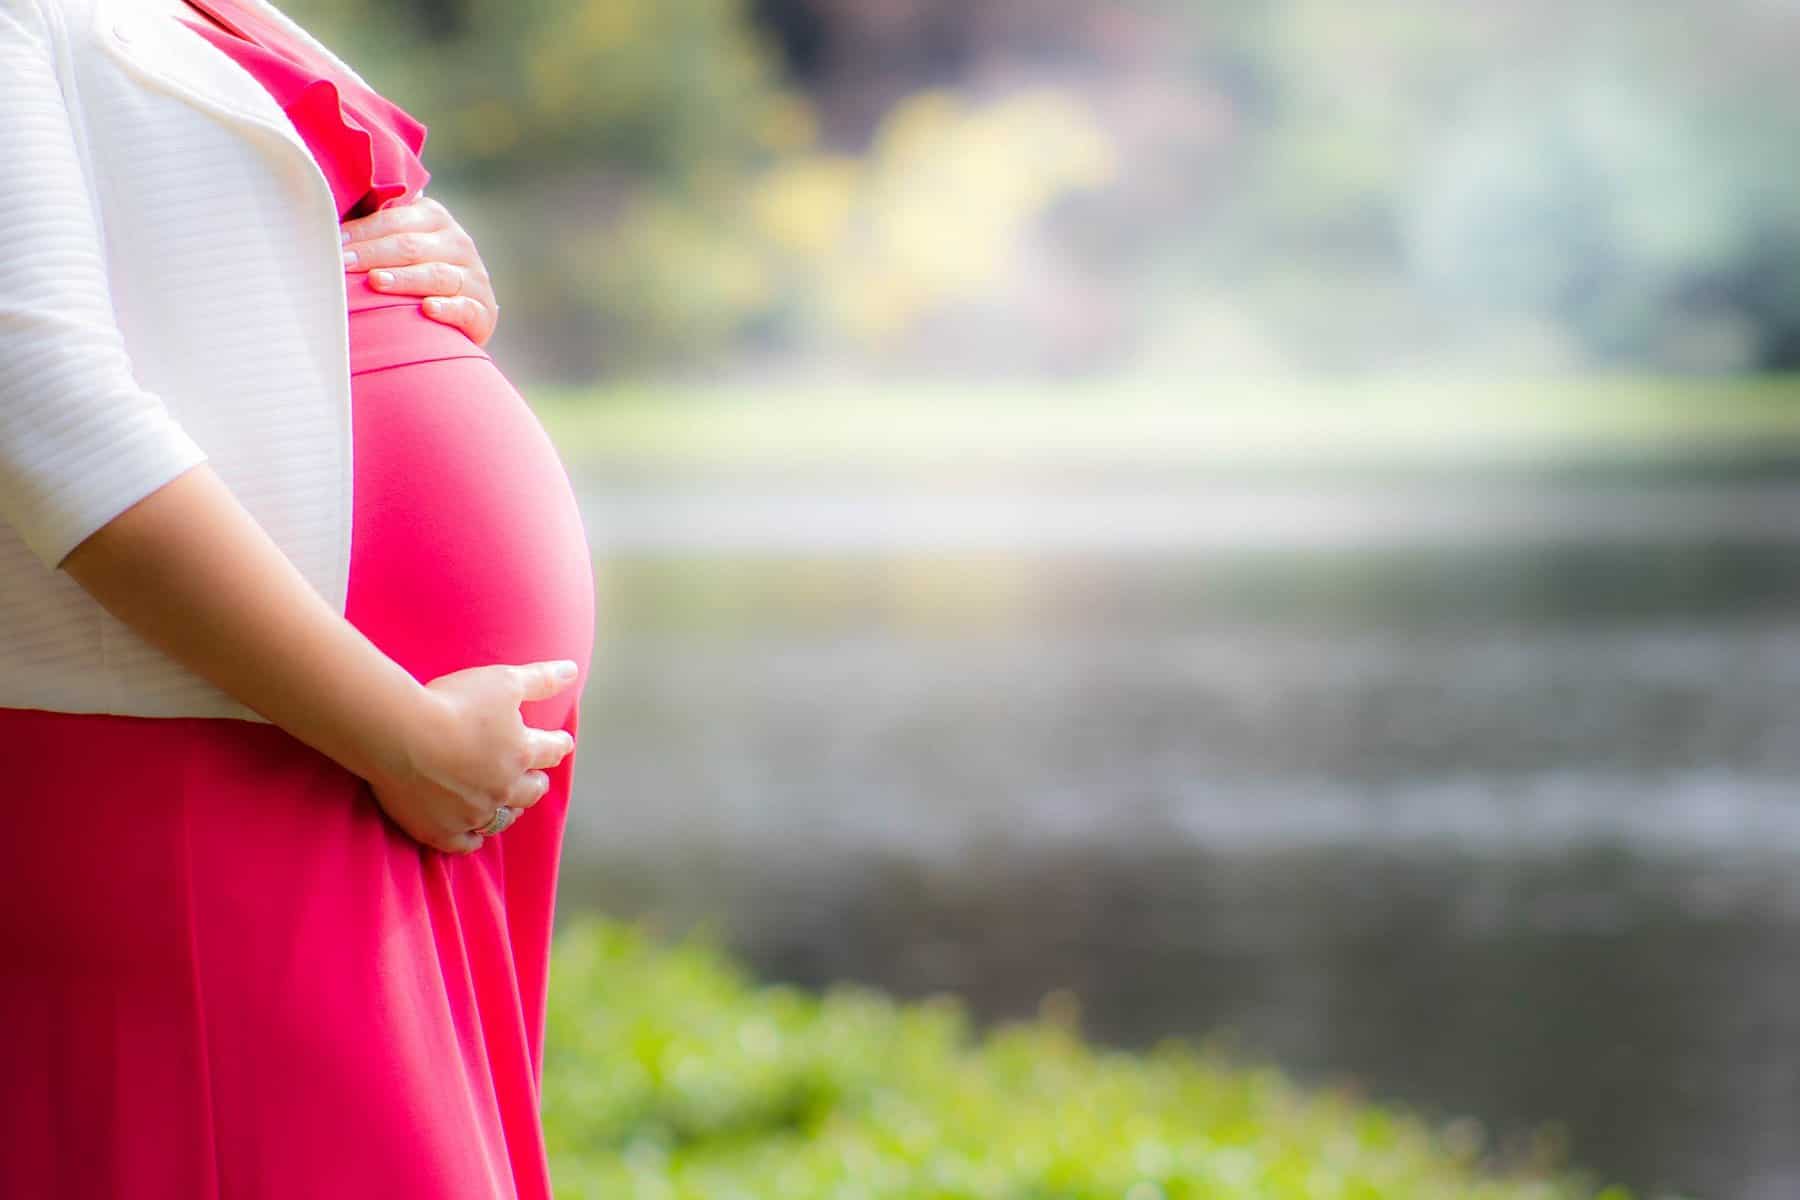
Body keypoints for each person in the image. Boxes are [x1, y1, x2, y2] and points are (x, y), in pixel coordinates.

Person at [0, 0, 597, 1195]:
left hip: (351, 754)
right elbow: (41, 405)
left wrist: (417, 265)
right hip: (231, 749)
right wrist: (400, 733)